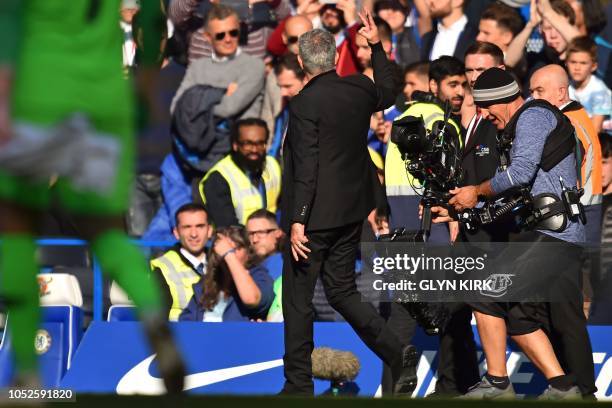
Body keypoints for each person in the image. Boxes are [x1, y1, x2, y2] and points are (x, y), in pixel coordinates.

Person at [0, 0, 185, 392]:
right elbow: (153, 16)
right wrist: (147, 77)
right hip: (103, 102)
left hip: (40, 98)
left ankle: (28, 373)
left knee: (16, 233)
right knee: (107, 234)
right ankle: (154, 319)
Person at [280, 14, 418, 396]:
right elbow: (389, 90)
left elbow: (308, 166)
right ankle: (396, 350)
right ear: (336, 55)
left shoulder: (305, 102)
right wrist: (376, 47)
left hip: (313, 221)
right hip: (351, 215)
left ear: (303, 63)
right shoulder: (359, 88)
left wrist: (297, 221)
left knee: (298, 301)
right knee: (342, 293)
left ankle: (297, 385)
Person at [449, 67, 585, 399]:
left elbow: (521, 174)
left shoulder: (533, 116)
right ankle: (563, 387)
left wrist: (476, 192)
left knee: (485, 290)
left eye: (485, 106)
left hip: (555, 234)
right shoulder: (515, 128)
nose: (483, 114)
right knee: (519, 315)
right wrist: (472, 207)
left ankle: (497, 384)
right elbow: (512, 188)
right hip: (546, 233)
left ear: (499, 99)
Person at [528, 64, 600, 397]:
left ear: (561, 92)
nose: (533, 98)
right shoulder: (567, 120)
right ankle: (573, 385)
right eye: (531, 91)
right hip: (562, 227)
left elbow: (570, 182)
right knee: (557, 311)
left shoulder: (569, 123)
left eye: (539, 91)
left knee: (566, 314)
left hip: (564, 229)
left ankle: (582, 388)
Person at [170, 4, 266, 119]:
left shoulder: (254, 66)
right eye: (220, 35)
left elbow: (228, 108)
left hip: (239, 134)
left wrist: (197, 97)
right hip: (199, 136)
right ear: (208, 37)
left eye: (233, 33)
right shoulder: (197, 67)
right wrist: (223, 93)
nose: (228, 39)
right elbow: (175, 108)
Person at [179, 226, 275, 321]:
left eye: (235, 248)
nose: (226, 254)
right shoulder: (207, 283)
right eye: (222, 250)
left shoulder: (259, 276)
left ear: (248, 253)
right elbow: (186, 323)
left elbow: (252, 299)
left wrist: (229, 254)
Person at [199, 118, 281, 227]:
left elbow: (284, 207)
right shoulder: (218, 177)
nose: (254, 149)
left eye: (260, 143)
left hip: (273, 238)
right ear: (235, 145)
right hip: (238, 241)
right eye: (248, 143)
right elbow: (227, 227)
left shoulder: (272, 165)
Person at [168, 0, 292, 62]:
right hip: (203, 89)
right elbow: (175, 16)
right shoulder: (200, 14)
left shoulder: (261, 18)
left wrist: (274, 1)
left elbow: (289, 23)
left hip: (248, 92)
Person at [151, 203, 212, 321]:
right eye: (187, 227)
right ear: (176, 233)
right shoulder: (162, 268)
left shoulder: (224, 264)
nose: (194, 234)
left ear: (209, 230)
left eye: (200, 226)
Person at [567, 36, 612, 133]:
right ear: (566, 63)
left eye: (583, 63)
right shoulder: (567, 88)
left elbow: (595, 129)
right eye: (573, 62)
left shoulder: (599, 91)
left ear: (593, 66)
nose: (577, 67)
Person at [246, 209, 285, 322]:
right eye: (250, 234)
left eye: (261, 233)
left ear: (278, 232)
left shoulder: (285, 263)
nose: (254, 239)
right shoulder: (249, 266)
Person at [268, 54, 308, 158]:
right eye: (280, 87)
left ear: (305, 79)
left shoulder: (321, 111)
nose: (283, 93)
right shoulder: (286, 110)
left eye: (288, 86)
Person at [374, 0, 420, 68]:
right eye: (385, 7)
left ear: (406, 11)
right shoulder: (371, 37)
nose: (390, 12)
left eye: (396, 7)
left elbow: (424, 14)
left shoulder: (417, 32)